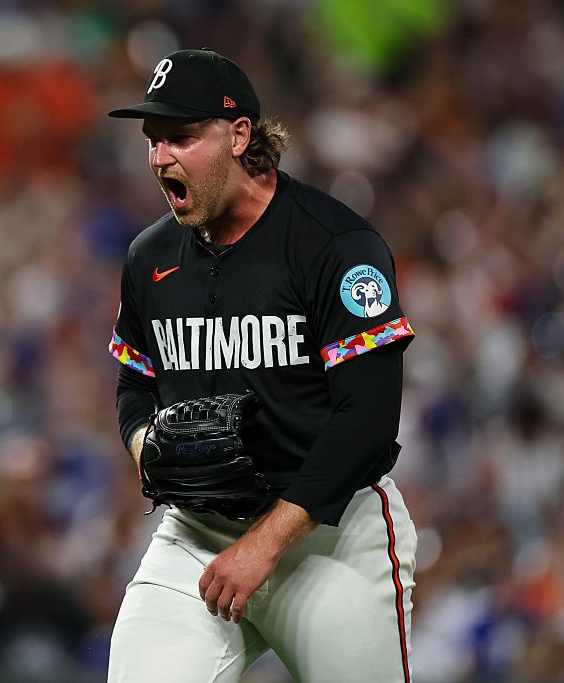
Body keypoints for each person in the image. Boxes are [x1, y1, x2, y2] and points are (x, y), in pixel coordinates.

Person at [105, 48, 418, 683]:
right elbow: (135, 379)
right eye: (154, 139)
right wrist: (142, 441)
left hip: (330, 537)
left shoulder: (335, 246)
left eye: (182, 136)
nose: (161, 156)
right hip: (196, 534)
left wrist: (266, 542)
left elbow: (370, 416)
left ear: (240, 134)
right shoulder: (150, 258)